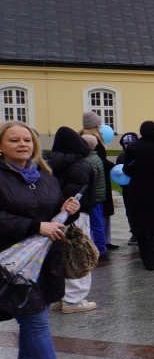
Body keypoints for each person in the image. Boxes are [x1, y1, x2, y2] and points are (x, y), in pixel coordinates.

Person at [1, 121, 92, 359]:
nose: (22, 144)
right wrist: (34, 225)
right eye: (14, 140)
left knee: (32, 322)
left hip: (46, 261)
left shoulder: (45, 174)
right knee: (35, 321)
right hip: (13, 264)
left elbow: (51, 218)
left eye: (27, 139)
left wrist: (66, 212)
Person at [45, 127, 97, 313]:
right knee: (78, 253)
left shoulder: (48, 162)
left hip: (53, 217)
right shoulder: (81, 165)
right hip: (75, 214)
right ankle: (74, 299)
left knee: (60, 255)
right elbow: (77, 194)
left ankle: (61, 296)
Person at [122, 122, 154, 271]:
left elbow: (127, 169)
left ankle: (144, 256)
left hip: (137, 187)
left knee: (140, 222)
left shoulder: (133, 148)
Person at [80, 112, 114, 255]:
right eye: (99, 123)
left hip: (87, 184)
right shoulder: (94, 141)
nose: (101, 126)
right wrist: (113, 166)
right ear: (94, 125)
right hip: (98, 183)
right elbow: (101, 162)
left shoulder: (80, 138)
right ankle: (100, 247)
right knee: (97, 219)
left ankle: (100, 243)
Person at [116, 133, 139, 245]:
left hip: (139, 187)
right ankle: (134, 233)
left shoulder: (140, 155)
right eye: (126, 144)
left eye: (132, 143)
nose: (129, 146)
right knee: (130, 211)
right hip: (127, 189)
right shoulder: (121, 157)